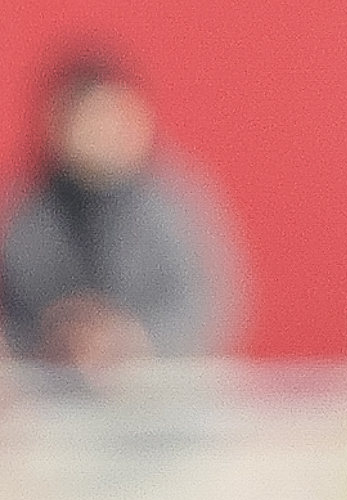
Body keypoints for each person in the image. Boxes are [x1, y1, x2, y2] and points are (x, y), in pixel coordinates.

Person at [2, 57, 236, 369]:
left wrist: (130, 338)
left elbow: (207, 304)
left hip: (158, 383)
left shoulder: (170, 204)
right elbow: (14, 312)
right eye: (88, 119)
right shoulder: (28, 213)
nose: (100, 133)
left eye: (111, 117)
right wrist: (56, 336)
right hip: (53, 384)